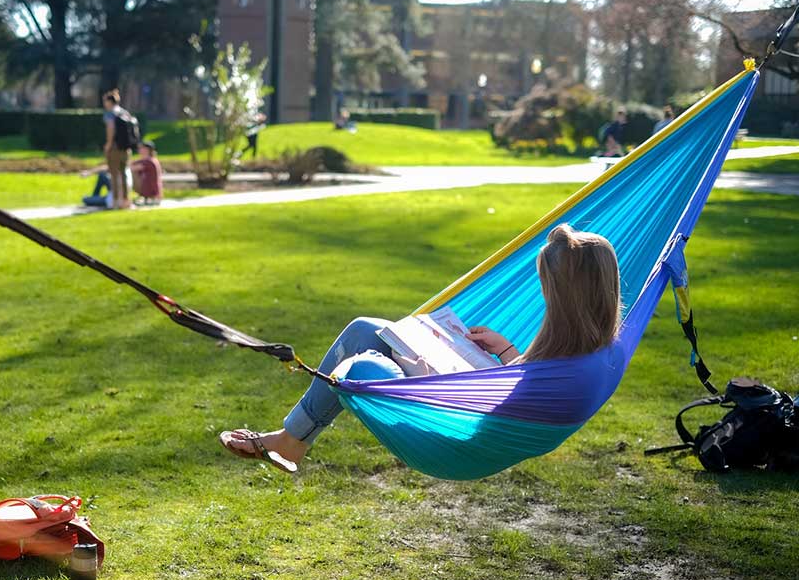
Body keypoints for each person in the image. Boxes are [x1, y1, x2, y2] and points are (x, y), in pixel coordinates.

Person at [219, 224, 623, 473]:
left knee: (362, 367)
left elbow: (484, 406)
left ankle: (290, 441)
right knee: (365, 329)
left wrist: (421, 375)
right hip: (480, 411)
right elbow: (525, 391)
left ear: (563, 297)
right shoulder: (605, 350)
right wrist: (505, 352)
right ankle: (292, 440)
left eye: (547, 288)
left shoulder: (546, 374)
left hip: (457, 443)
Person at [101, 89, 137, 209]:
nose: (104, 104)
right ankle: (126, 200)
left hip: (115, 148)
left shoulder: (110, 114)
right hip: (126, 148)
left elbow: (110, 129)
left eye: (105, 101)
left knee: (114, 175)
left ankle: (116, 201)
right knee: (124, 174)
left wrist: (108, 144)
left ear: (109, 102)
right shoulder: (125, 112)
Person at [131, 140, 163, 206]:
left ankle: (147, 197)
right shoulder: (147, 160)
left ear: (147, 150)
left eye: (141, 148)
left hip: (153, 193)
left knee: (132, 174)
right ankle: (145, 197)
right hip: (150, 193)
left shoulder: (150, 161)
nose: (139, 150)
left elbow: (132, 168)